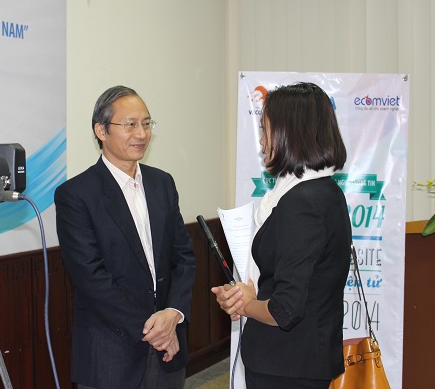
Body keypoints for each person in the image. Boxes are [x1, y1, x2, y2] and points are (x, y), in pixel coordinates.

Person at [54, 85, 196, 389]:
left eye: (146, 123)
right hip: (111, 353)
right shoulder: (76, 195)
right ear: (101, 131)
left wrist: (173, 313)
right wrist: (153, 331)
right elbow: (90, 277)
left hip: (169, 347)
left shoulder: (162, 183)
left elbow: (183, 257)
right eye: (130, 124)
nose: (141, 133)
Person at [212, 82, 352, 389]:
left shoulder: (302, 202)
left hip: (287, 365)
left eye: (266, 129)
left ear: (291, 132)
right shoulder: (323, 192)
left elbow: (284, 310)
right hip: (295, 361)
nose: (262, 141)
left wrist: (246, 304)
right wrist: (241, 297)